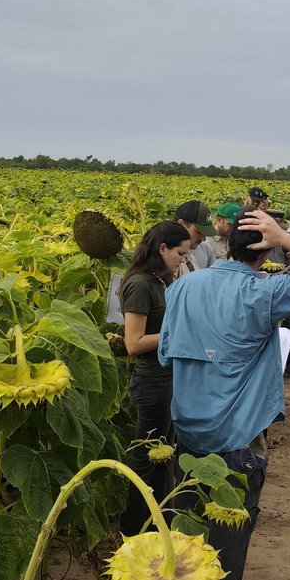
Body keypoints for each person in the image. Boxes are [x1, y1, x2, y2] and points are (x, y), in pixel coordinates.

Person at [158, 210, 290, 580]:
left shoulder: (184, 284)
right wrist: (288, 238)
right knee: (229, 530)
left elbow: (166, 351)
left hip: (185, 426)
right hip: (237, 433)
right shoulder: (263, 290)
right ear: (265, 251)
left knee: (183, 522)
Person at [118, 221, 192, 533]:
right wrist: (178, 335)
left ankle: (157, 527)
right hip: (151, 383)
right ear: (162, 249)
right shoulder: (140, 284)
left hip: (167, 380)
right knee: (147, 461)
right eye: (179, 253)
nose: (183, 259)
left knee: (163, 460)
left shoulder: (160, 280)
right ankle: (135, 531)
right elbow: (133, 343)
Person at [174, 200, 217, 271]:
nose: (203, 239)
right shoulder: (166, 253)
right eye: (199, 232)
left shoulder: (205, 248)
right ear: (182, 224)